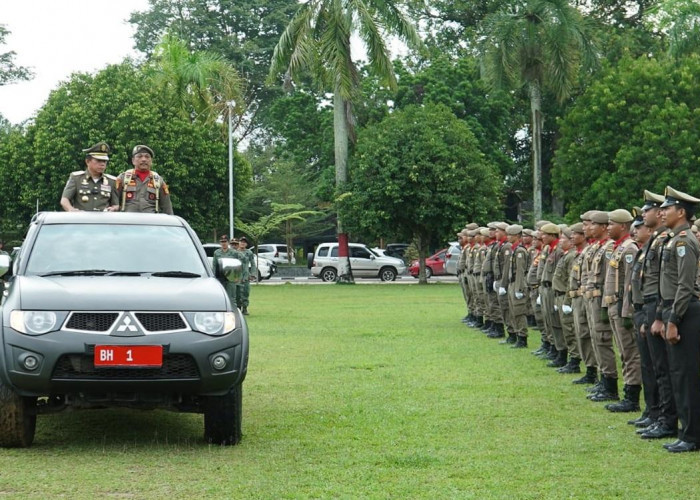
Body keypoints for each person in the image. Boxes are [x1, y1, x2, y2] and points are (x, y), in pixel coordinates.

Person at [651, 186, 700, 453]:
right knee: (677, 373)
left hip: (685, 312)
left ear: (681, 212)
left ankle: (691, 435)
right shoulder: (673, 239)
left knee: (685, 375)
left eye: (667, 208)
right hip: (673, 309)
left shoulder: (684, 241)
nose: (662, 212)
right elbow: (666, 285)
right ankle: (687, 431)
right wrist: (661, 315)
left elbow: (684, 285)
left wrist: (673, 319)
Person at [602, 209, 642, 413]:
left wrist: (626, 312)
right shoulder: (619, 248)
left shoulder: (629, 249)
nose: (608, 227)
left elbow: (629, 284)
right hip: (613, 306)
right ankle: (627, 392)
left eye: (611, 224)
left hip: (621, 307)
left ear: (623, 226)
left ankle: (632, 396)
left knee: (630, 352)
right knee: (623, 351)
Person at [60, 141, 119, 212]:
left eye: (104, 161)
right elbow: (64, 200)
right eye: (99, 160)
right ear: (88, 161)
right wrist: (71, 209)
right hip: (82, 220)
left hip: (103, 220)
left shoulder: (111, 181)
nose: (102, 164)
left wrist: (114, 208)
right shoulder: (76, 178)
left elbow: (116, 204)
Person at [115, 145, 174, 214]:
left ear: (151, 161)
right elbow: (113, 204)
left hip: (150, 223)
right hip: (127, 222)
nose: (144, 159)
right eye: (139, 156)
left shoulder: (158, 181)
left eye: (147, 156)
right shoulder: (123, 178)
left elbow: (167, 208)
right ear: (133, 160)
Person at [212, 235, 241, 309]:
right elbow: (214, 265)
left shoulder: (234, 253)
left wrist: (237, 277)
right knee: (221, 295)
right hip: (220, 277)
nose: (223, 243)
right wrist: (213, 277)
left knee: (231, 296)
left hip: (231, 276)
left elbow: (238, 265)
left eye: (225, 242)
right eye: (222, 242)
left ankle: (234, 311)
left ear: (228, 242)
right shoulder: (217, 252)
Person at [236, 236, 256, 315]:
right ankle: (238, 308)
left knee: (245, 292)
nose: (242, 243)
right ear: (239, 243)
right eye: (241, 242)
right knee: (237, 293)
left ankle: (245, 308)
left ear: (246, 244)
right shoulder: (235, 252)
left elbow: (253, 264)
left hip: (246, 275)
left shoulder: (249, 253)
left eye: (244, 242)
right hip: (237, 276)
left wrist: (253, 274)